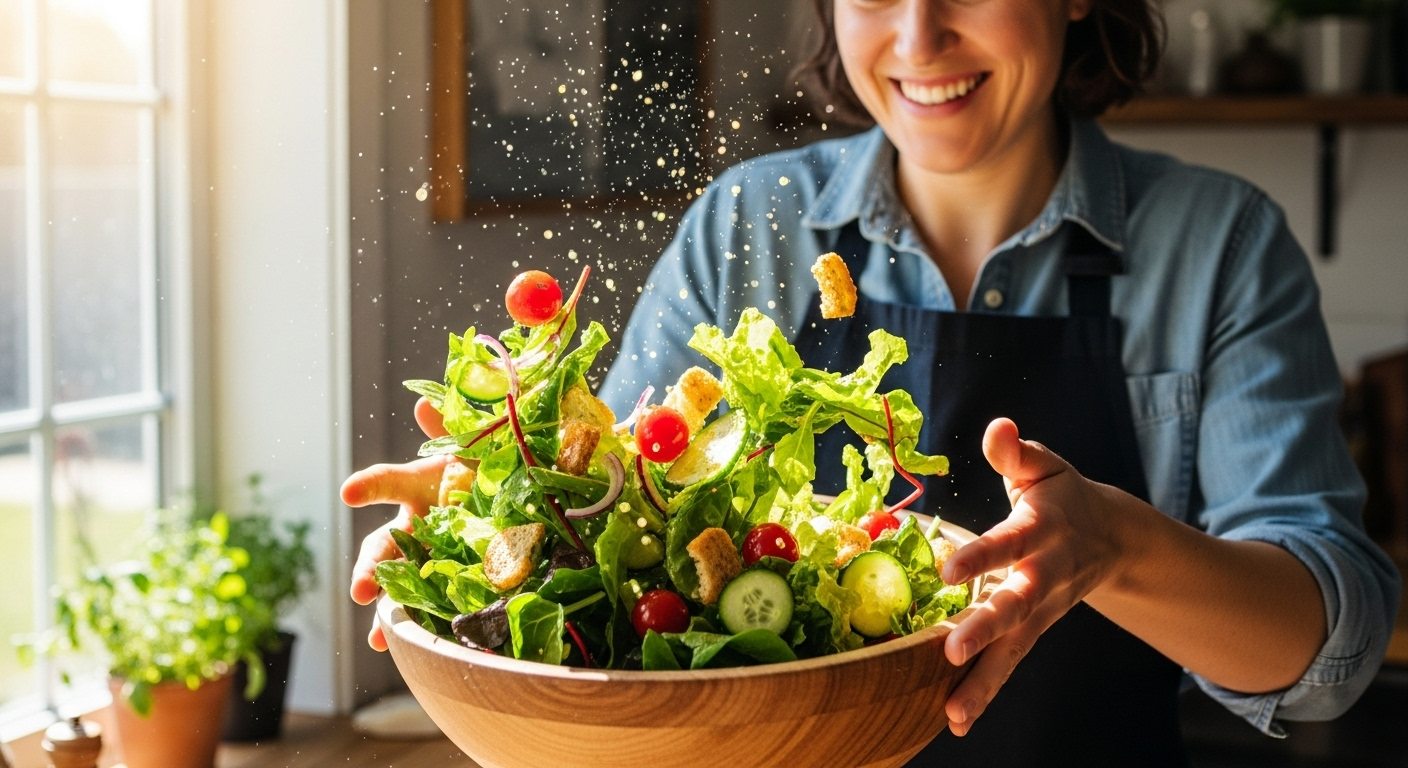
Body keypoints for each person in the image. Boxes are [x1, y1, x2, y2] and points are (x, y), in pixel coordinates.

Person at [343, 0, 1400, 764]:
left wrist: (1118, 545)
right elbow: (616, 526)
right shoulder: (745, 225)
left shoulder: (1219, 244)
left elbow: (1328, 653)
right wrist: (492, 522)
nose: (917, 34)